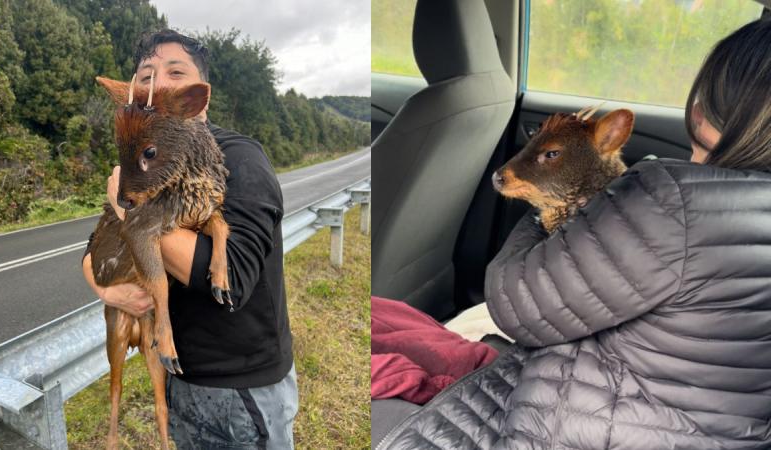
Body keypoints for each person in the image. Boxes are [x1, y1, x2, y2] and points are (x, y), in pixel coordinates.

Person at [378, 18, 771, 450]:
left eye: (707, 105)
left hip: (581, 425)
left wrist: (552, 209)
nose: (693, 114)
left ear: (742, 117)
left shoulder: (675, 199)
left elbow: (516, 304)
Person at [81, 29, 298, 449]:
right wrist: (105, 287)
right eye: (145, 76)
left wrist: (130, 210)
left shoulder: (240, 157)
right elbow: (97, 246)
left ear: (199, 97)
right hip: (180, 379)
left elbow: (232, 277)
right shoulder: (144, 160)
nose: (156, 83)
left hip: (243, 389)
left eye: (174, 72)